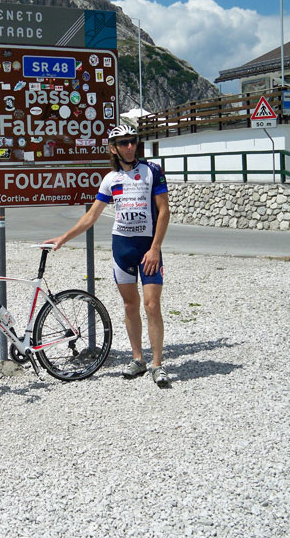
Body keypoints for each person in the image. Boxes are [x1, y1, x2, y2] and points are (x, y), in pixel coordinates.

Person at [45, 124, 171, 387]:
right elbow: (91, 215)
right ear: (114, 148)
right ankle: (138, 359)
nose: (129, 147)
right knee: (129, 305)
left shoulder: (152, 171)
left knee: (152, 305)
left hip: (148, 248)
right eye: (123, 143)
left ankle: (157, 364)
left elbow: (164, 211)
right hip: (122, 248)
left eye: (133, 141)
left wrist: (156, 248)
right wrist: (63, 238)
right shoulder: (110, 179)